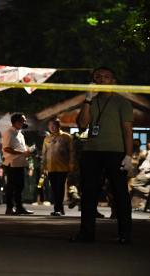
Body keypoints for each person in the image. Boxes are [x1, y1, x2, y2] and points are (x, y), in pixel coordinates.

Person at [71, 66, 133, 244]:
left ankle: (125, 234)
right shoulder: (90, 101)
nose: (101, 79)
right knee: (88, 193)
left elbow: (128, 131)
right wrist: (88, 99)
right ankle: (86, 233)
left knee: (120, 193)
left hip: (115, 151)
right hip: (91, 151)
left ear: (113, 81)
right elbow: (82, 125)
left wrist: (128, 156)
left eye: (106, 77)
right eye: (98, 76)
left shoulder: (122, 102)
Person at [2, 113, 34, 215]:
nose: (24, 122)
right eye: (22, 120)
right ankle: (9, 208)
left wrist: (27, 151)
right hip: (12, 164)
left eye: (24, 120)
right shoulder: (9, 132)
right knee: (11, 187)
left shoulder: (20, 133)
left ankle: (19, 207)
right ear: (16, 122)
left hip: (20, 163)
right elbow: (6, 148)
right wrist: (22, 153)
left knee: (20, 187)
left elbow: (21, 148)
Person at [41, 118, 74, 216]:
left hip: (62, 167)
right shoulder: (47, 138)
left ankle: (57, 209)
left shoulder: (66, 137)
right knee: (54, 189)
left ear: (59, 126)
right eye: (50, 125)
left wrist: (71, 164)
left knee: (60, 188)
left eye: (54, 125)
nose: (52, 127)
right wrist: (43, 166)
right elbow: (44, 153)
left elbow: (72, 152)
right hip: (51, 167)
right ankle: (60, 207)